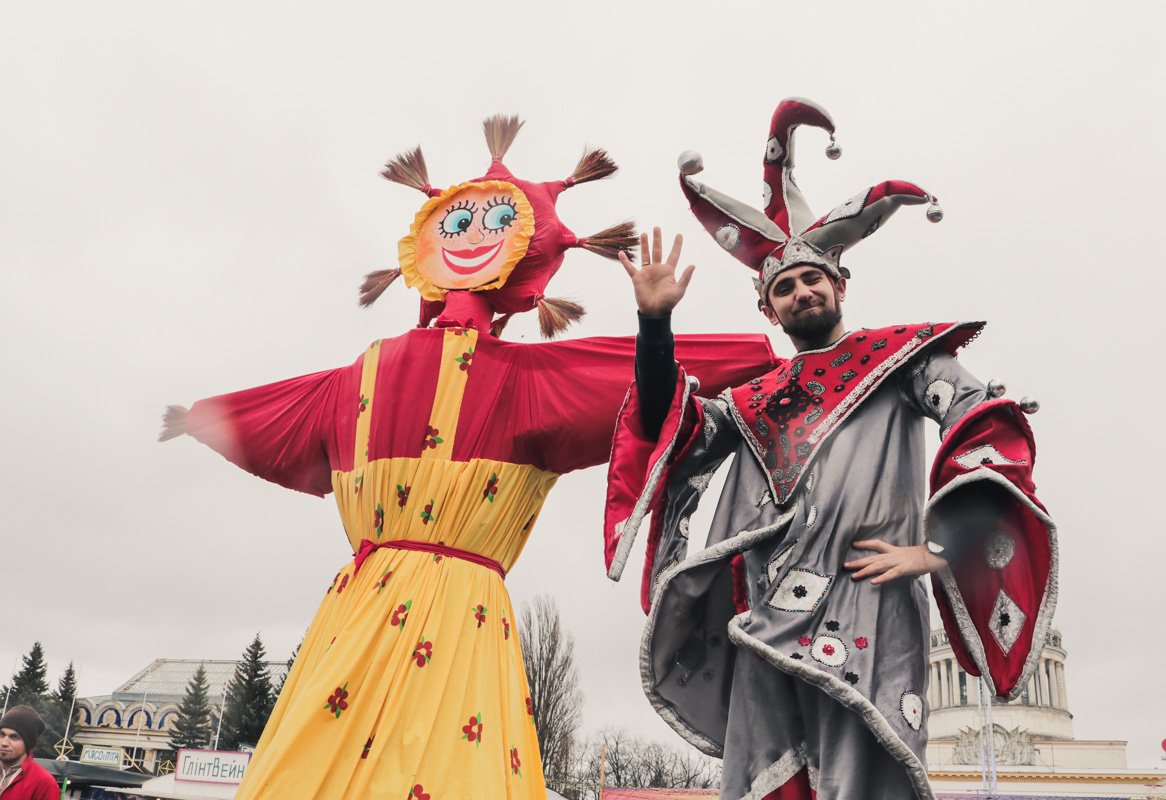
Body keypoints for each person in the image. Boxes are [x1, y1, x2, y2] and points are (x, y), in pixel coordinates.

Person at [160, 116, 778, 799]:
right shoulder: (523, 381)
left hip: (361, 608)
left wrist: (200, 417)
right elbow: (636, 386)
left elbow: (271, 416)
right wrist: (759, 359)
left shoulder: (358, 379)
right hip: (458, 613)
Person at [603, 98, 1057, 800]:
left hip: (869, 607)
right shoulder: (754, 400)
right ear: (769, 308)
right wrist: (654, 327)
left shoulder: (902, 361)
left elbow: (985, 423)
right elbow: (674, 430)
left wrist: (942, 551)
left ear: (840, 284)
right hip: (763, 618)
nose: (801, 290)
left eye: (812, 278)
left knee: (868, 780)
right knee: (770, 785)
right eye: (784, 286)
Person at [0, 706, 58, 800]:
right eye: (1, 734)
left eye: (14, 737)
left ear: (28, 743)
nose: (4, 743)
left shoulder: (44, 782)